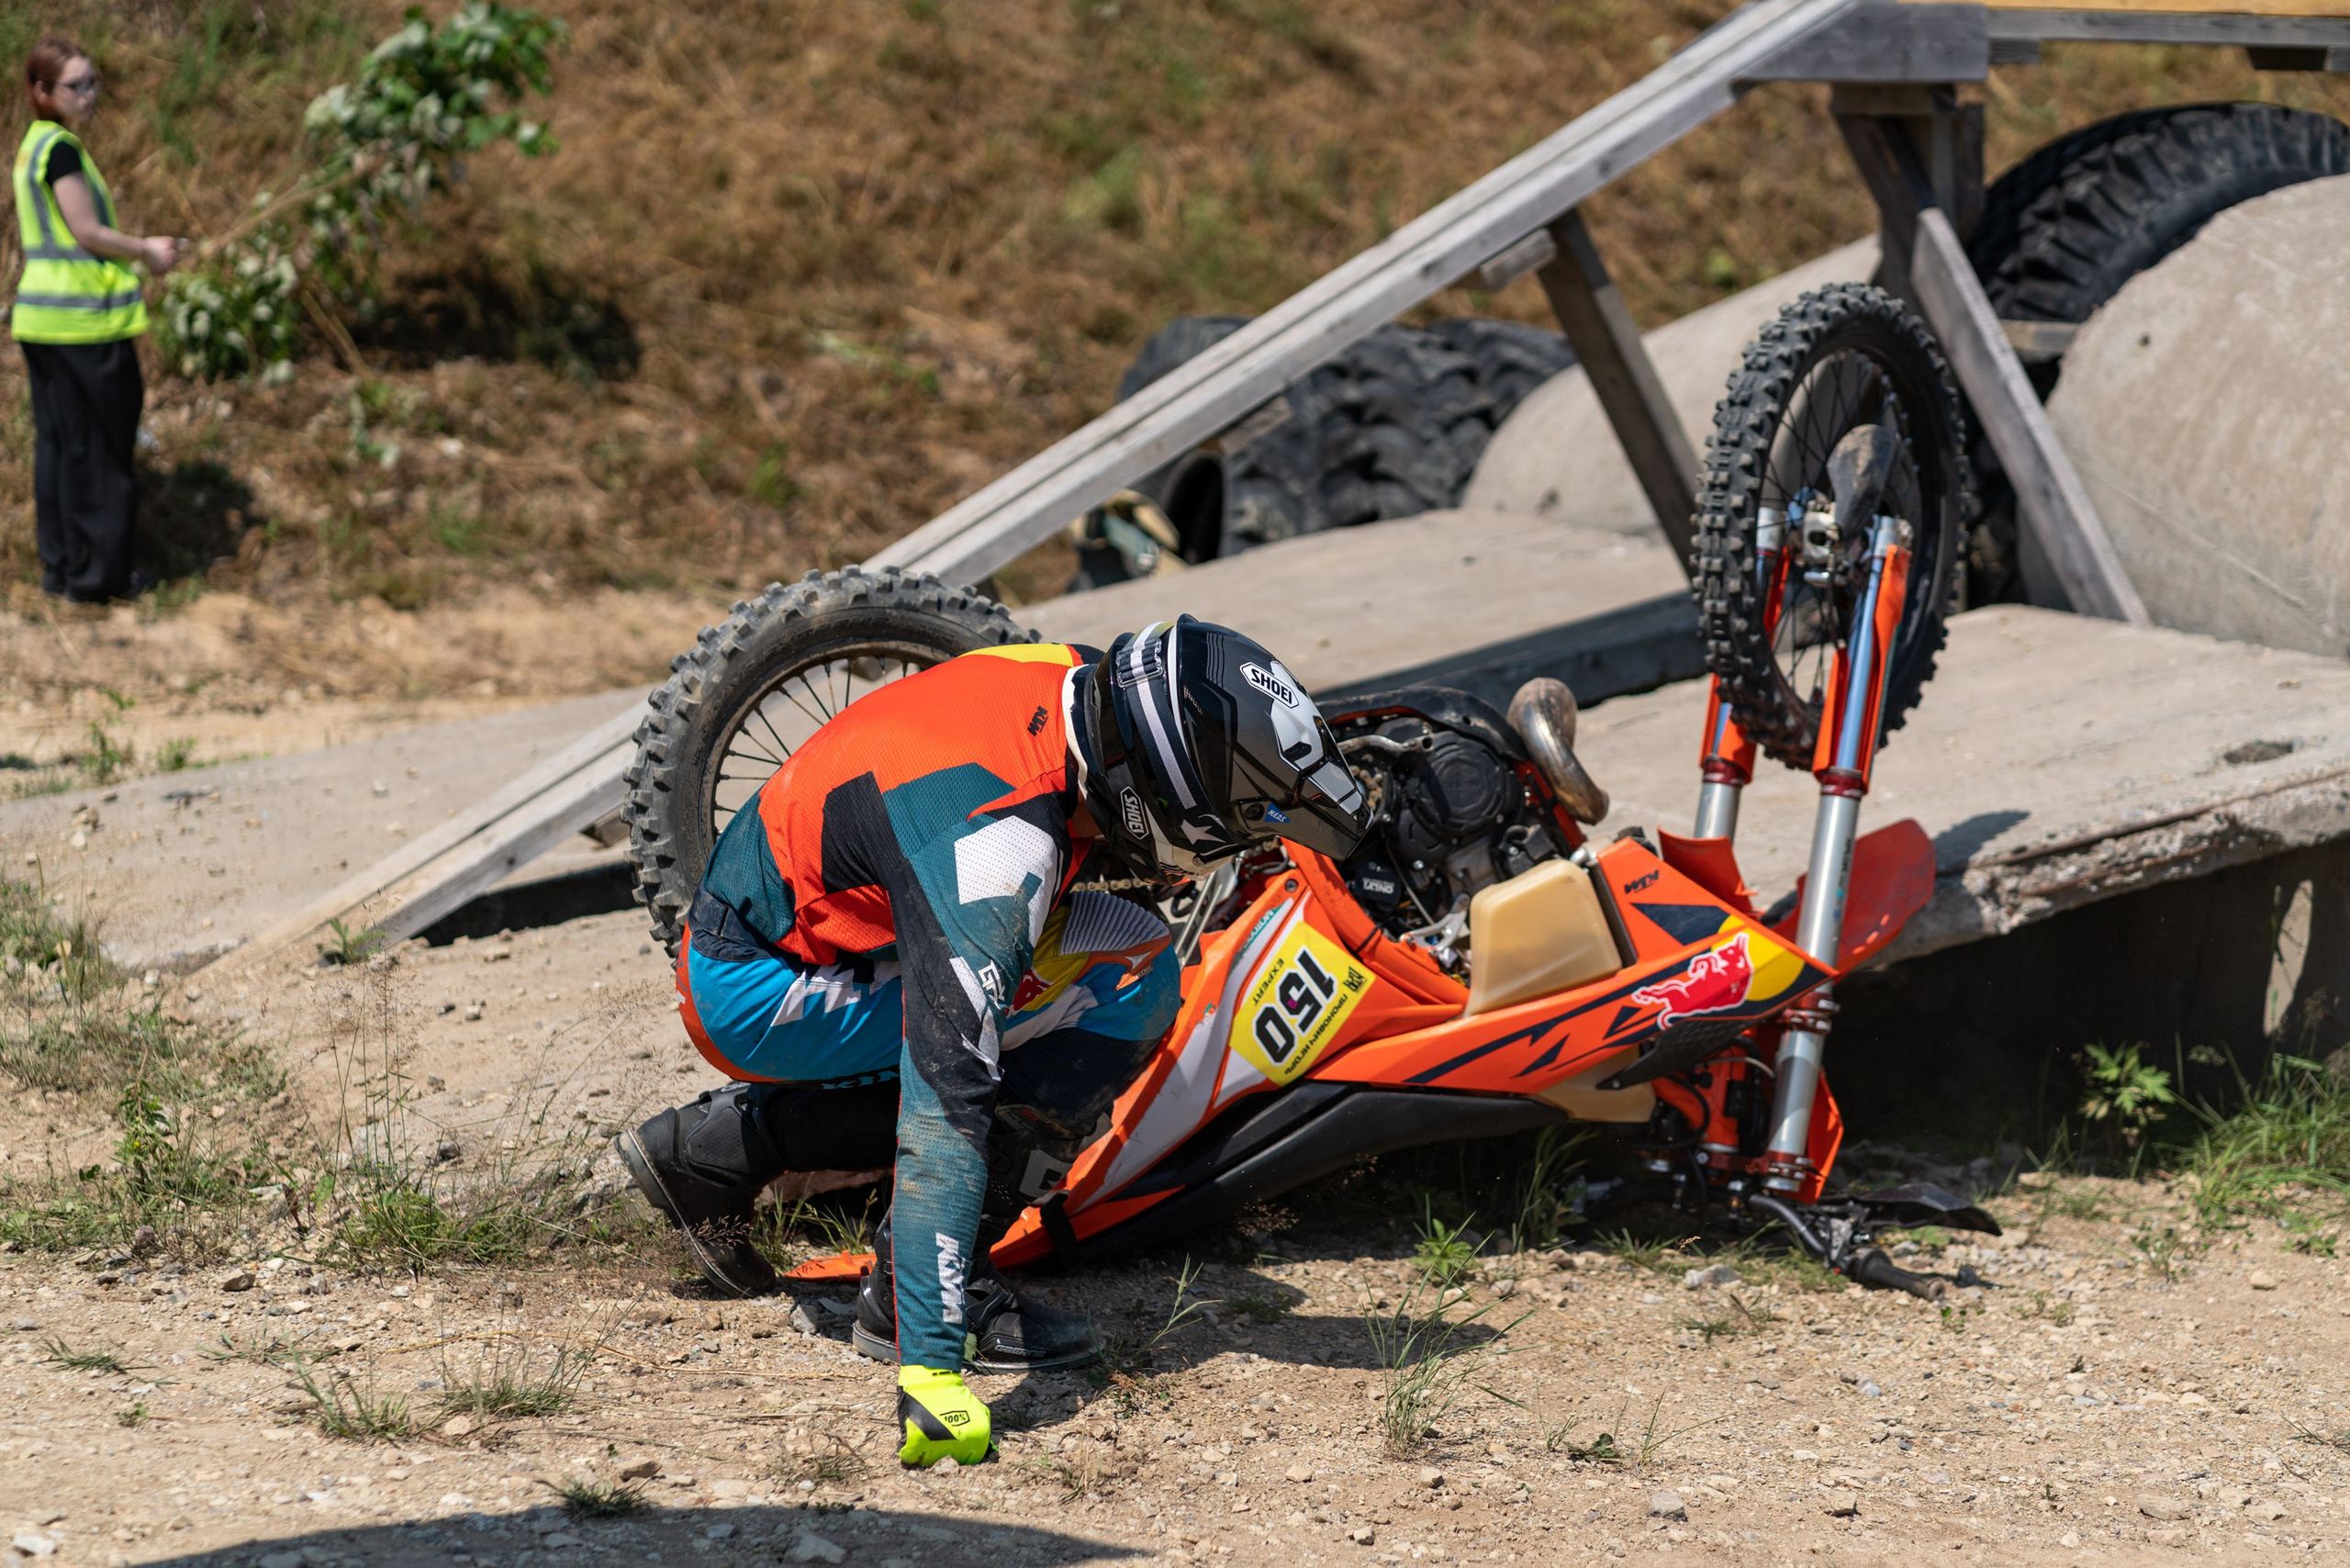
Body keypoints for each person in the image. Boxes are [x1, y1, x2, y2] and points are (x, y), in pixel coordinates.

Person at [617, 617, 1368, 1466]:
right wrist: (933, 1378)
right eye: (1223, 819)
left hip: (812, 918)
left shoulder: (1090, 683)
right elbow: (948, 1106)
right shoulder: (997, 849)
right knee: (1079, 1011)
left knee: (1138, 967)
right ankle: (924, 1293)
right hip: (755, 990)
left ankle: (711, 1151)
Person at [10, 38, 179, 603]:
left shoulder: (34, 145)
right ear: (41, 91)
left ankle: (63, 571)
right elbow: (87, 231)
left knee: (61, 448)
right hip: (83, 325)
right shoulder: (59, 150)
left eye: (93, 83)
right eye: (76, 86)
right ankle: (99, 578)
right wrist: (147, 251)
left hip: (44, 321)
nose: (89, 96)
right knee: (100, 451)